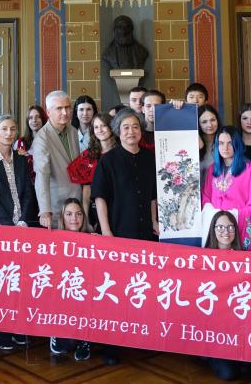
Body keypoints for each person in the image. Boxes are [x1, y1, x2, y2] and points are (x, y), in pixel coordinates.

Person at [90, 110, 158, 366]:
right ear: (118, 132)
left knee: (140, 286)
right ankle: (111, 346)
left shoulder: (150, 158)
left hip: (145, 232)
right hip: (119, 231)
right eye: (126, 127)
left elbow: (152, 195)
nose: (131, 131)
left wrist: (154, 221)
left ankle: (138, 337)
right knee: (116, 290)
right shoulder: (108, 161)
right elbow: (100, 198)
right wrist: (107, 232)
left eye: (135, 127)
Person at [0, 115, 35, 352]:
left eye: (12, 129)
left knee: (18, 281)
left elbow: (28, 192)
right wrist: (9, 228)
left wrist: (22, 221)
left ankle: (18, 327)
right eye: (4, 129)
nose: (9, 133)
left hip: (21, 227)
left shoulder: (21, 160)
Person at [201, 127, 251, 249]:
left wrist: (233, 215)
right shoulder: (212, 169)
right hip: (217, 228)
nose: (225, 148)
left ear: (237, 144)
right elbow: (206, 197)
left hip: (238, 227)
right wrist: (214, 214)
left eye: (230, 143)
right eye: (221, 143)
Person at [202, 211, 248, 380]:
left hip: (238, 327)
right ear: (213, 230)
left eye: (230, 227)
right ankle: (205, 354)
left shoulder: (246, 259)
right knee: (229, 374)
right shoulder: (201, 258)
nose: (226, 231)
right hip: (214, 329)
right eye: (220, 227)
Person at [50, 199, 95, 361]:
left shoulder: (93, 239)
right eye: (69, 214)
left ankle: (85, 339)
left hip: (84, 294)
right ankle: (56, 331)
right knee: (63, 346)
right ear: (62, 217)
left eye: (78, 214)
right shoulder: (53, 239)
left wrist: (100, 245)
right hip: (62, 294)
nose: (74, 218)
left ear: (83, 217)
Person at [32, 91, 80, 230]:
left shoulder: (73, 131)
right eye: (59, 108)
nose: (65, 112)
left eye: (67, 107)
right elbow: (42, 175)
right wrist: (45, 210)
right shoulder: (41, 138)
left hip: (77, 202)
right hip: (56, 206)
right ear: (48, 112)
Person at [67, 114, 115, 230]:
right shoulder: (89, 156)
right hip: (96, 209)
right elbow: (87, 190)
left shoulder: (121, 152)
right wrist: (86, 218)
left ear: (111, 127)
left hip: (118, 206)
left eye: (104, 126)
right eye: (96, 127)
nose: (100, 130)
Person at [197, 104, 220, 172]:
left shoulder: (225, 141)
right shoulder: (195, 143)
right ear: (198, 124)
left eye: (212, 120)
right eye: (204, 122)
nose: (209, 125)